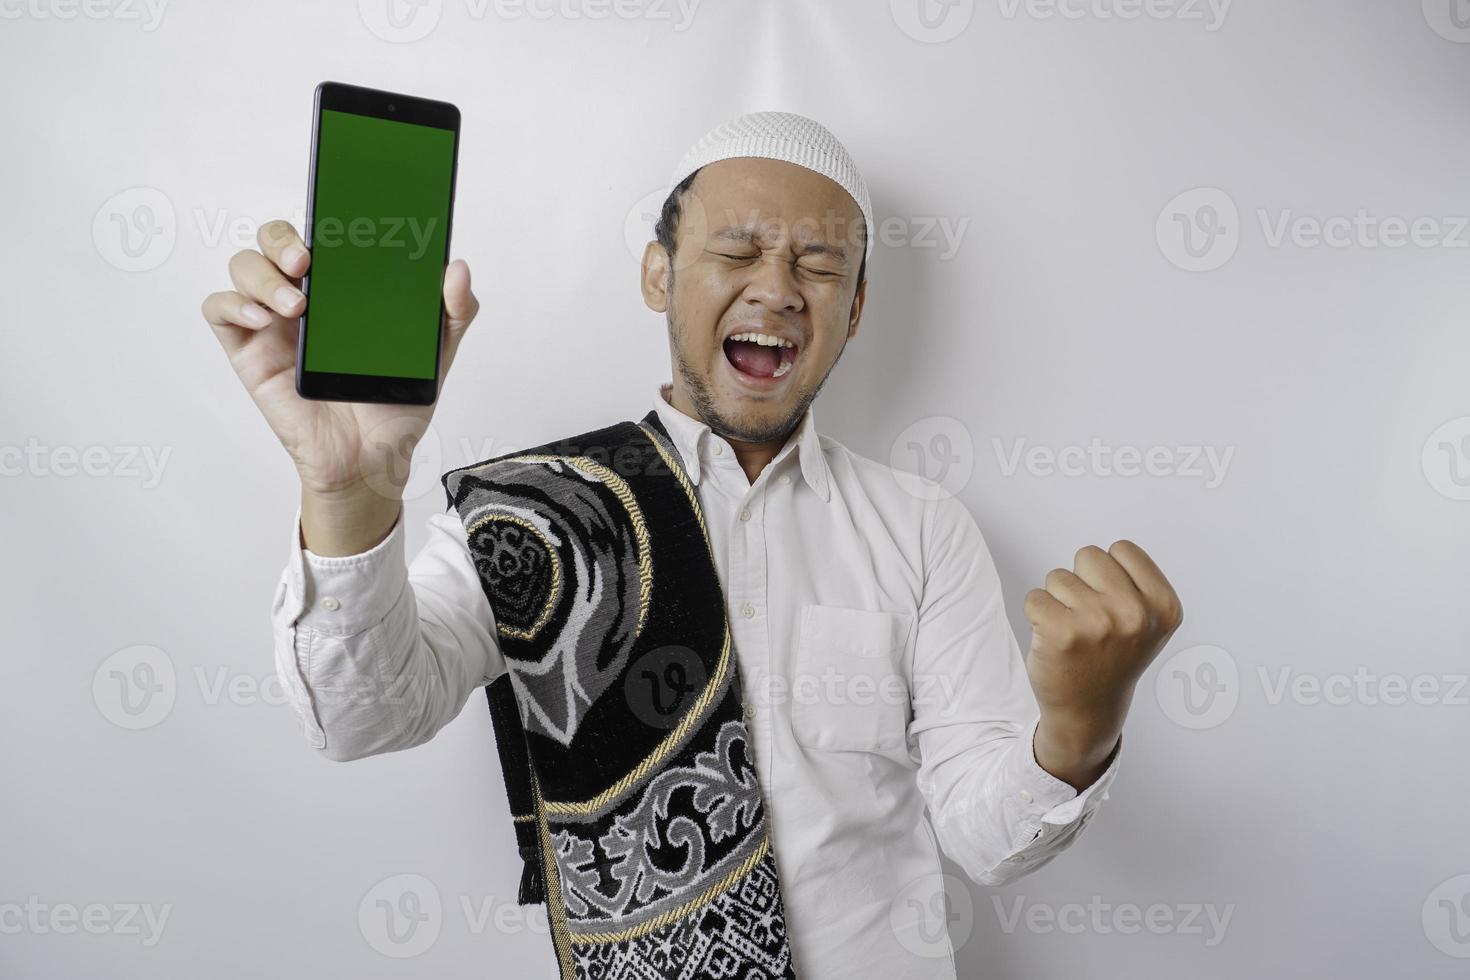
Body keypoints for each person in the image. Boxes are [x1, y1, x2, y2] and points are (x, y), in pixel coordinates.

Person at [200, 110, 1183, 979]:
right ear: (658, 273)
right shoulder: (530, 514)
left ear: (857, 309)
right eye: (739, 249)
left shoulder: (923, 527)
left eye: (820, 263)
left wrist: (1078, 727)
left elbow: (986, 836)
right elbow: (361, 715)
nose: (780, 287)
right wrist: (346, 487)